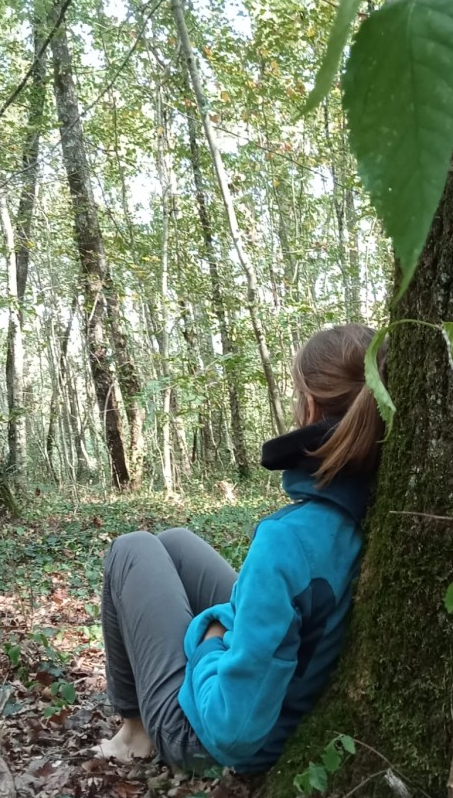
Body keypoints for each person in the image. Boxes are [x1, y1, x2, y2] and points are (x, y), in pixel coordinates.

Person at [98, 323, 387, 773]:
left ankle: (138, 733)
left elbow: (231, 732)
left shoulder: (288, 538)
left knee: (131, 548)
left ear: (309, 407)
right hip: (287, 688)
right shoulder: (376, 506)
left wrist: (212, 640)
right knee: (174, 542)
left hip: (210, 738)